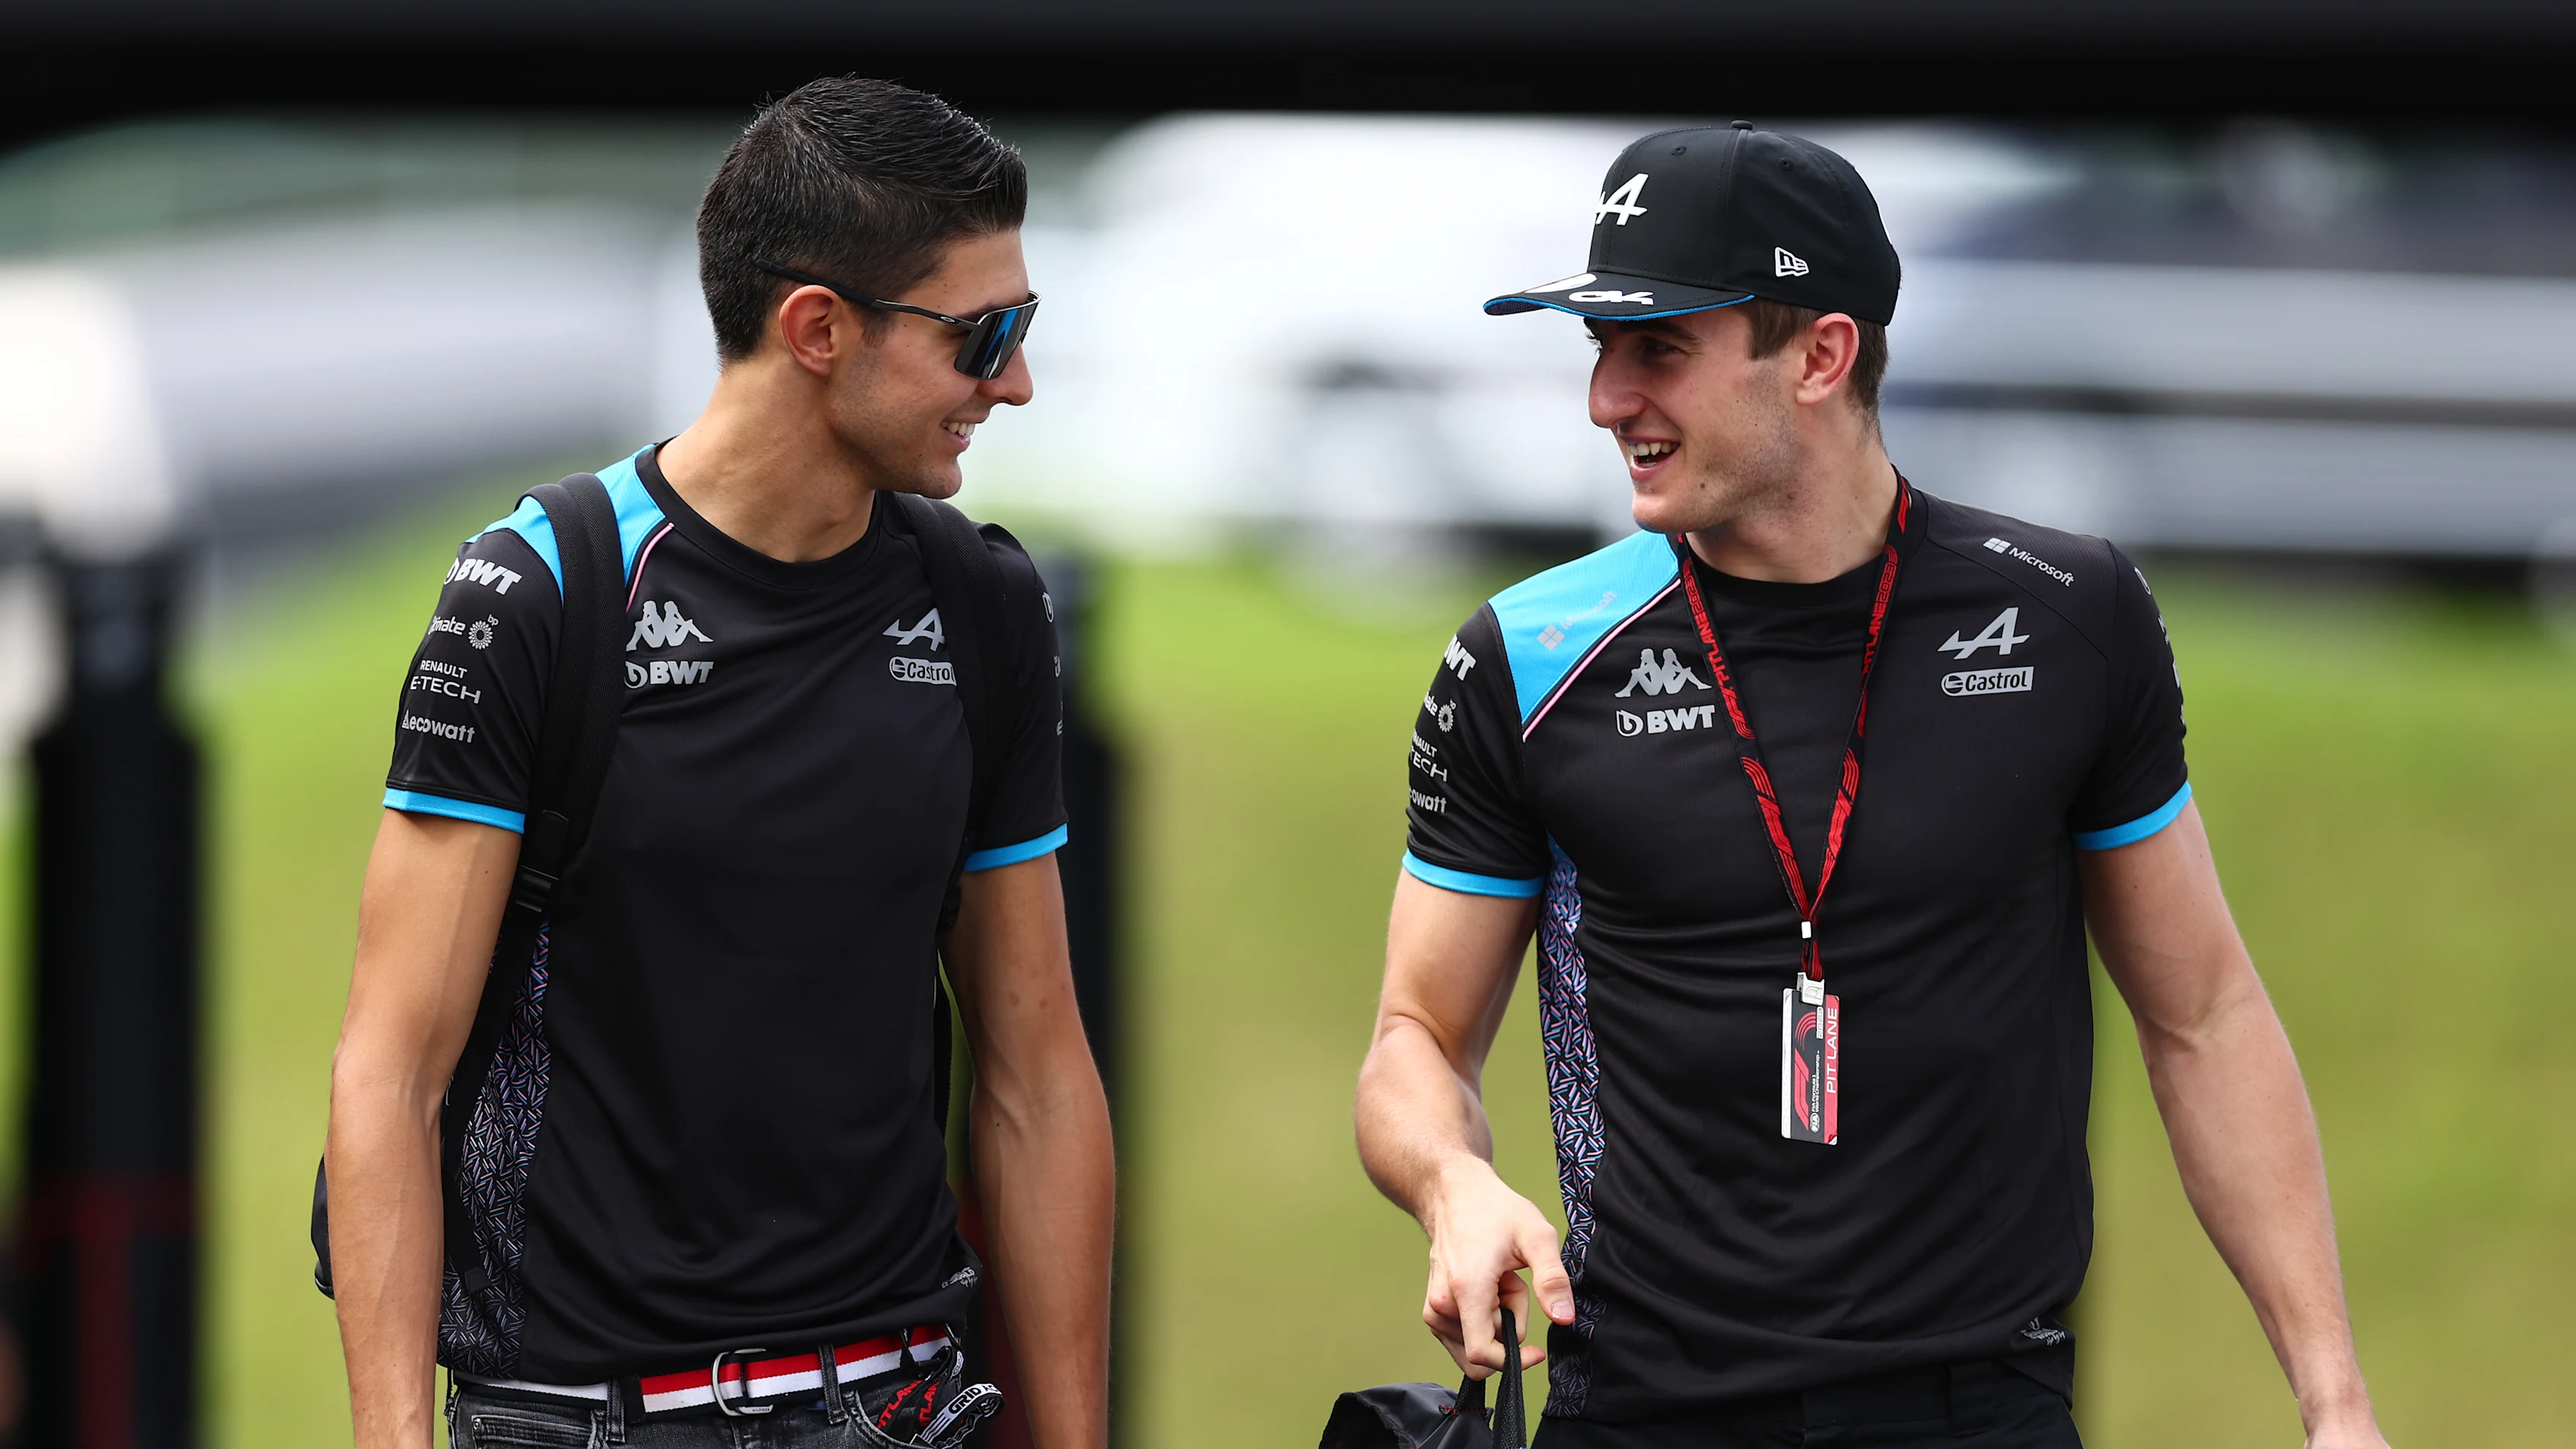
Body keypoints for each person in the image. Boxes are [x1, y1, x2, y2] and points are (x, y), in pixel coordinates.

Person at [1355, 122, 2389, 1448]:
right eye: (1599, 350)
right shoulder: (1526, 659)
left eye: (1658, 345)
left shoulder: (2075, 617)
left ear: (1822, 358)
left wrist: (2336, 1403)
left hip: (1985, 1408)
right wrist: (1453, 1185)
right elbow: (1414, 1042)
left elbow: (2206, 1018)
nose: (1609, 398)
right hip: (1644, 1411)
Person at [327, 77, 1112, 1449]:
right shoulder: (541, 593)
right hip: (579, 1418)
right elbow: (390, 1069)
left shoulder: (985, 604)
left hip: (899, 1406)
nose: (1017, 381)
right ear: (818, 330)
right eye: (986, 334)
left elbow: (1035, 1074)